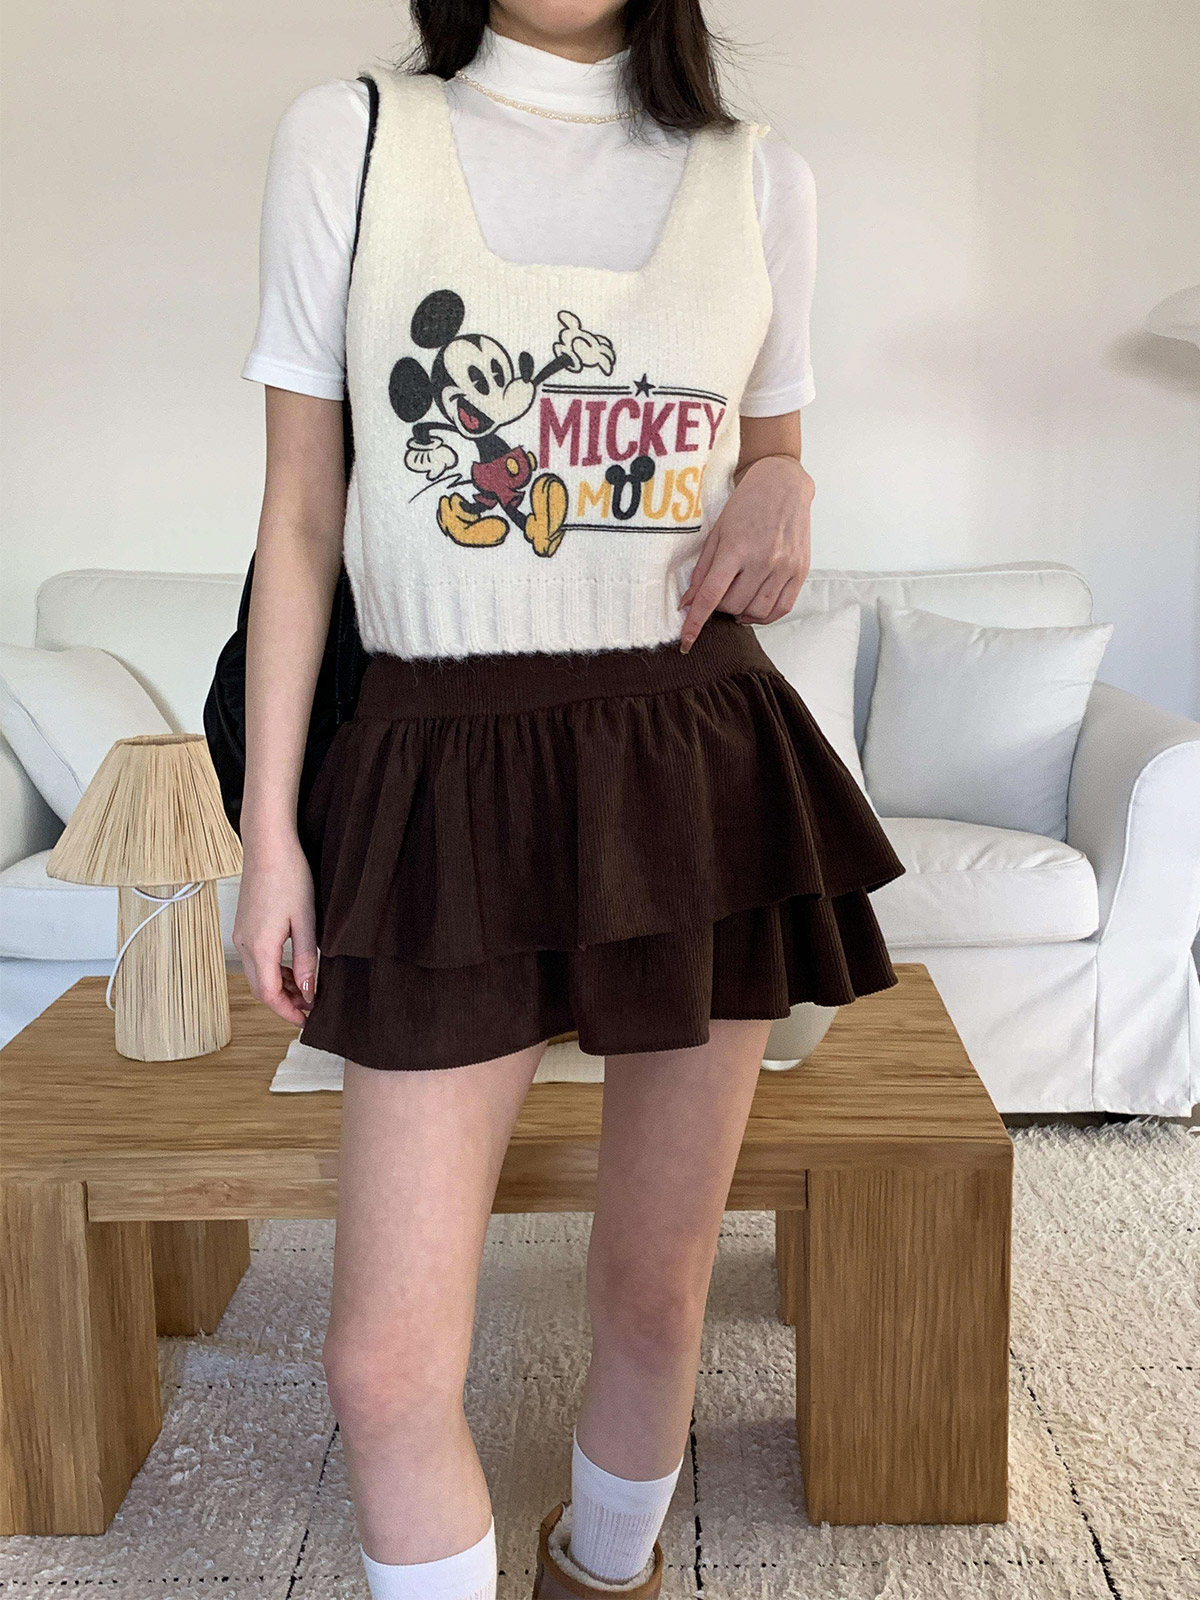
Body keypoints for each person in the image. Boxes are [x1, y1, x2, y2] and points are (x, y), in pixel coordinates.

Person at [234, 3, 905, 1596]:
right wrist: (270, 833)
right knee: (382, 1366)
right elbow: (302, 519)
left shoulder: (760, 178)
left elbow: (769, 455)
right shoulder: (355, 140)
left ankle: (606, 1575)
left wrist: (790, 479)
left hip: (691, 765)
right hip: (434, 773)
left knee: (657, 1290)